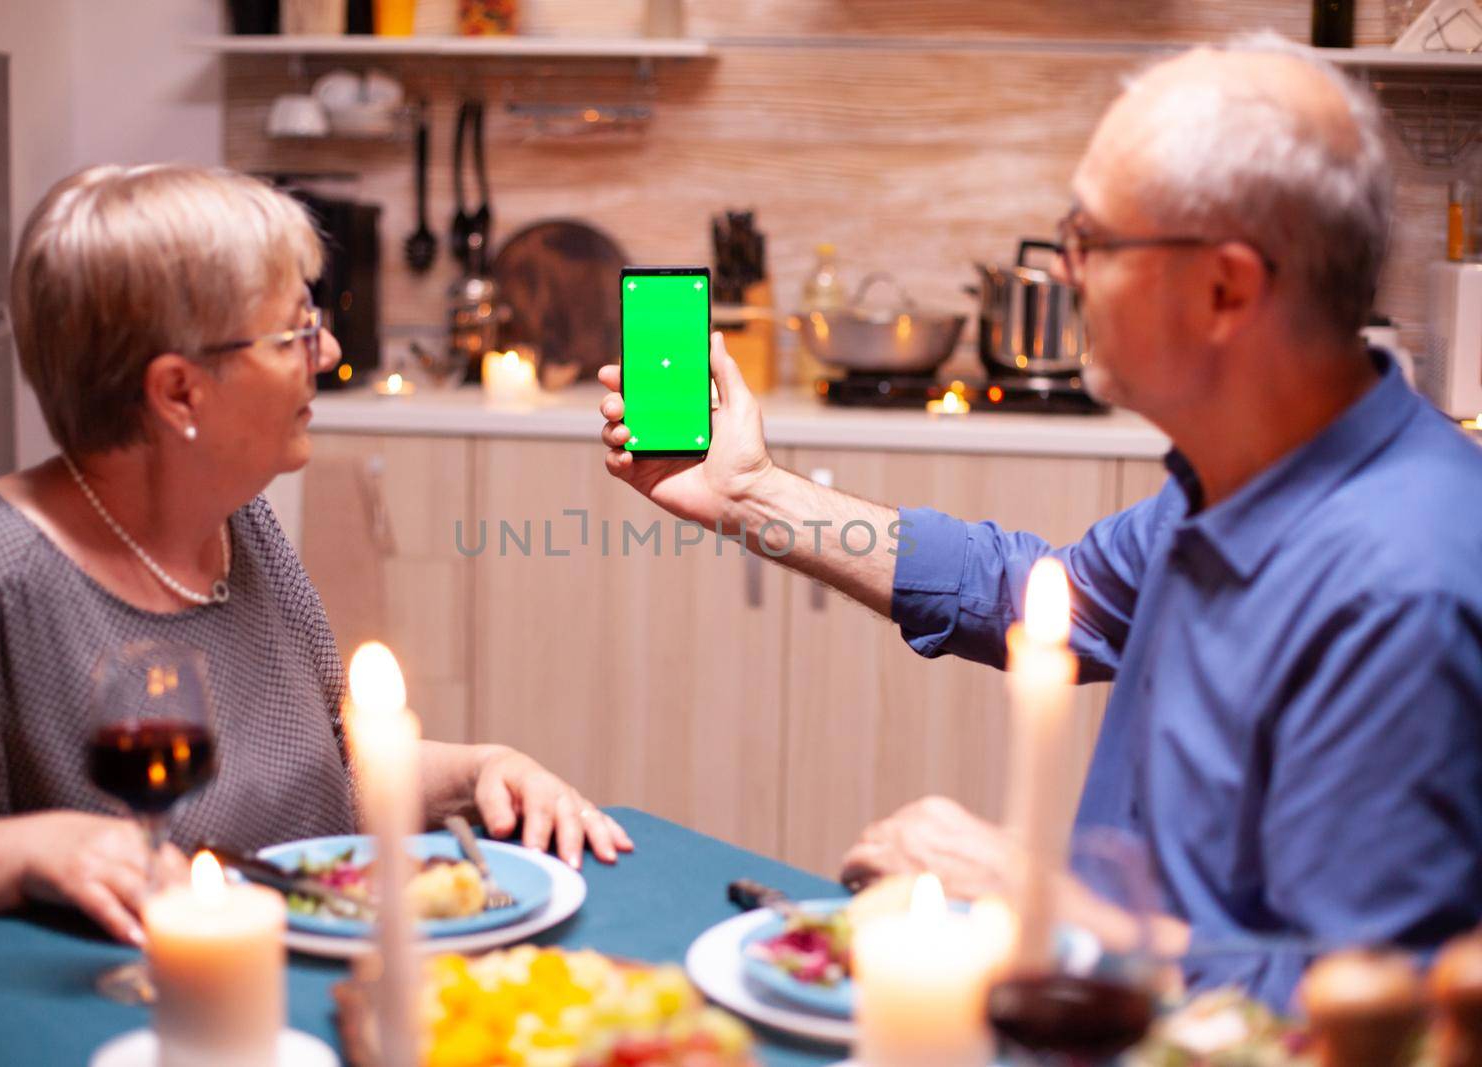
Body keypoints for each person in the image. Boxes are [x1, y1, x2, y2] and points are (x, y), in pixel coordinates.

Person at [597, 36, 1482, 1010]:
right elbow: (1034, 595)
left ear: (1226, 288)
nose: (1063, 272)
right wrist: (752, 495)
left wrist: (1039, 903)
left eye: (1091, 241)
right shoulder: (1237, 475)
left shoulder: (1406, 590)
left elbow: (1382, 1010)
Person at [0, 164, 630, 948]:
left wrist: (481, 771)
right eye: (297, 331)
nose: (332, 349)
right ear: (178, 393)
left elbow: (328, 775)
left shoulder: (241, 520)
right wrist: (5, 851)